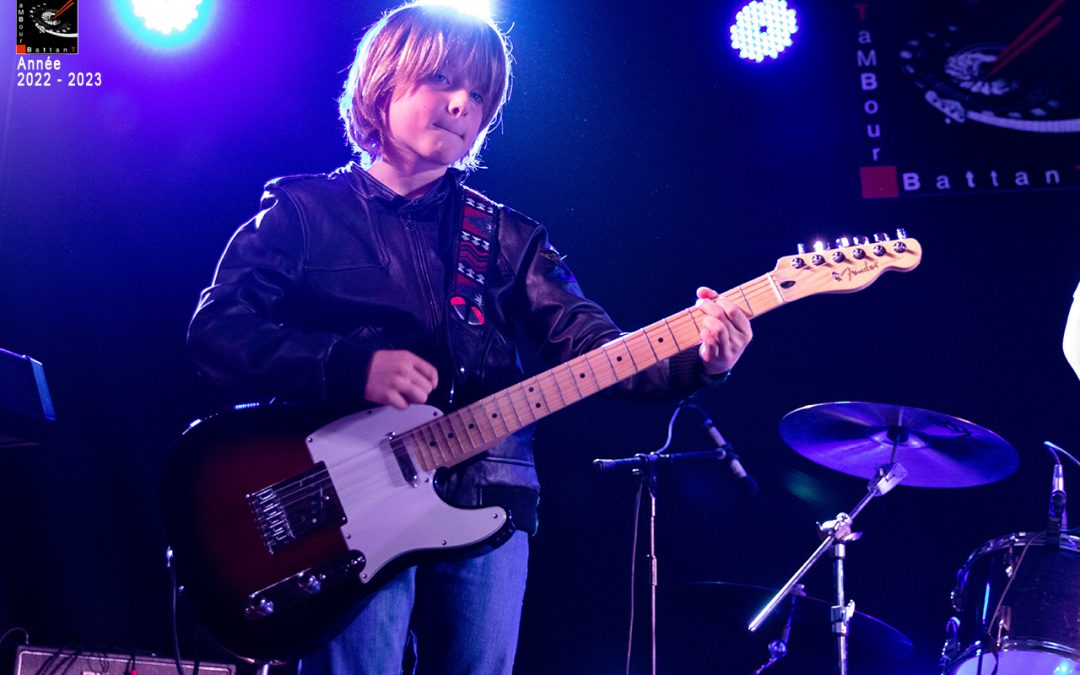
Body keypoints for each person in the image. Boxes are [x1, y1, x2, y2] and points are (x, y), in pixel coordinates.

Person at [186, 3, 752, 673]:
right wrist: (349, 365)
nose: (462, 104)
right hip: (346, 499)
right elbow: (218, 331)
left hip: (490, 493)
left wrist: (699, 360)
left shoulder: (509, 236)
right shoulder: (304, 211)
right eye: (441, 80)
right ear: (383, 82)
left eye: (479, 95)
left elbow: (593, 347)